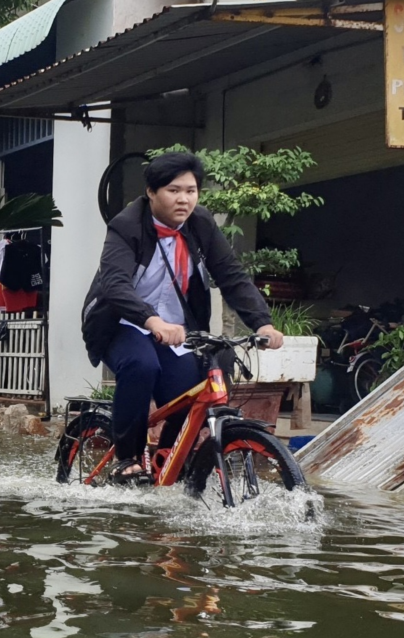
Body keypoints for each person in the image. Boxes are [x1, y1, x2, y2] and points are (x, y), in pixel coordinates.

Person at [81, 152, 285, 483]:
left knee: (192, 387)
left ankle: (167, 457)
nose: (184, 199)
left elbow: (231, 275)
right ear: (151, 192)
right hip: (122, 321)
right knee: (141, 365)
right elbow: (115, 284)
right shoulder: (127, 225)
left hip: (177, 330)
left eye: (191, 190)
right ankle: (127, 458)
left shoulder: (201, 225)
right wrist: (151, 320)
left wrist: (262, 322)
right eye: (173, 190)